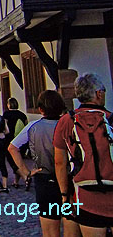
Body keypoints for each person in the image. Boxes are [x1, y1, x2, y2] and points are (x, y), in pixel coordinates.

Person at [54, 73, 113, 236]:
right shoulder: (110, 119)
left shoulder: (67, 121)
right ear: (99, 94)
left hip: (85, 197)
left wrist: (65, 196)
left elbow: (60, 163)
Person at [9, 90, 73, 237]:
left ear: (40, 109)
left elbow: (12, 148)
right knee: (71, 228)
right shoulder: (69, 124)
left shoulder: (33, 126)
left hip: (44, 179)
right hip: (69, 178)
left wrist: (26, 172)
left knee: (50, 231)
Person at [3, 97, 27, 188]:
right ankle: (16, 181)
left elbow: (5, 128)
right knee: (19, 160)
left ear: (9, 105)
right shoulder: (22, 115)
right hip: (21, 141)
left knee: (11, 161)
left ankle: (25, 177)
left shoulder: (6, 114)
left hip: (10, 140)